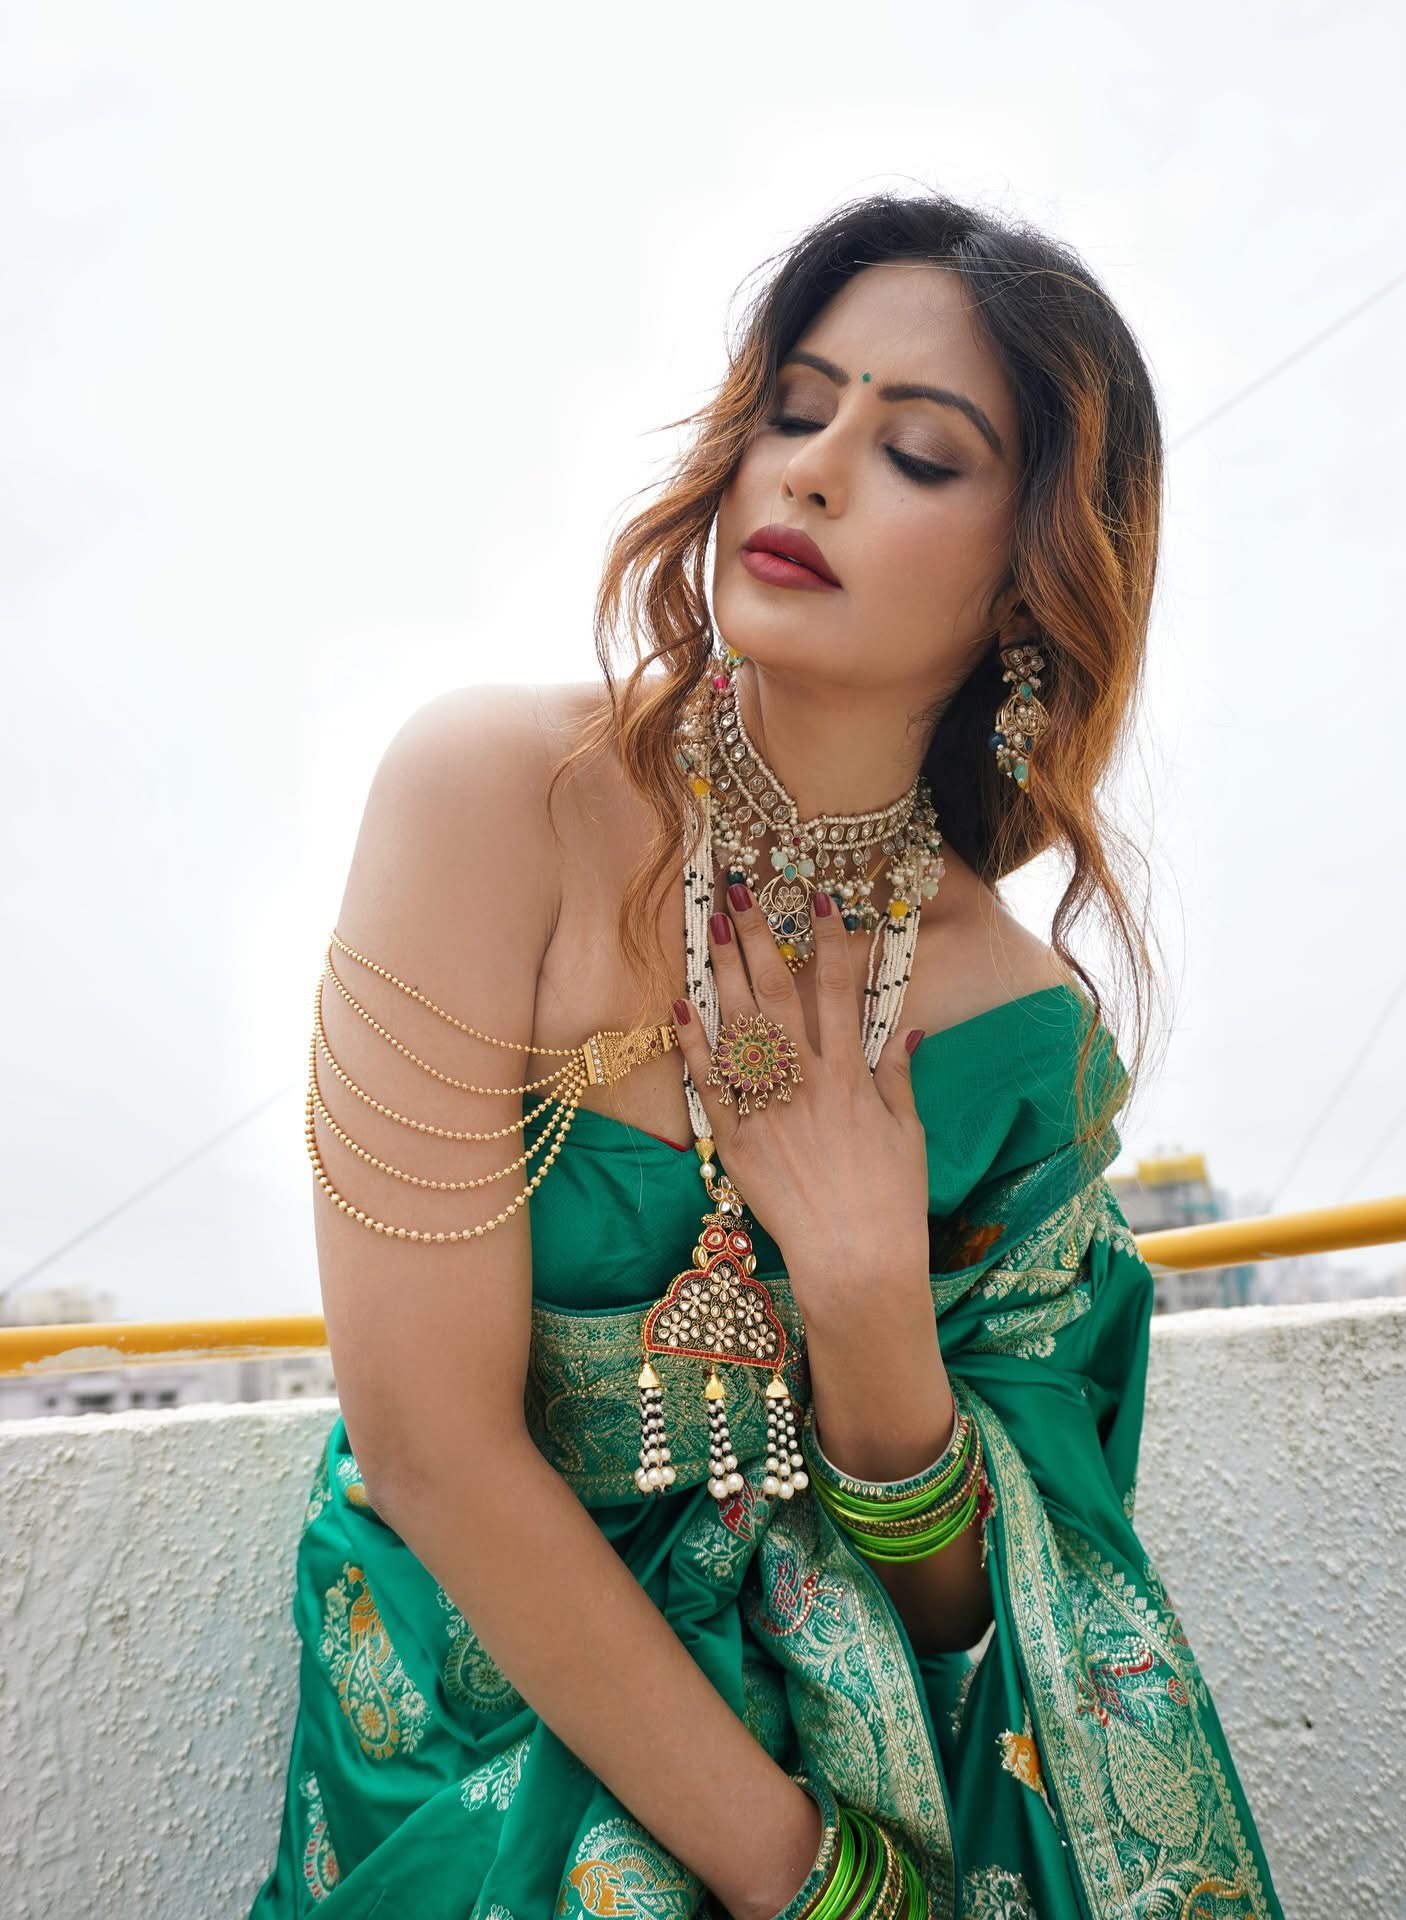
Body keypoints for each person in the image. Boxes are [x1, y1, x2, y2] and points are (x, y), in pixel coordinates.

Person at [247, 191, 1286, 1919]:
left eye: (919, 453)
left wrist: (870, 1302)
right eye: (795, 411)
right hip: (475, 1708)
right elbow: (425, 1446)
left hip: (847, 1734)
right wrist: (813, 1882)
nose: (809, 472)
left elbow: (973, 1612)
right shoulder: (494, 799)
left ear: (1031, 581)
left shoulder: (1020, 1027)